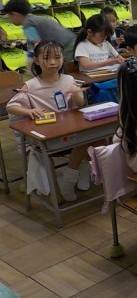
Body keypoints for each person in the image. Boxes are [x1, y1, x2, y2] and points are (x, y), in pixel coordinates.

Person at [7, 41, 94, 201]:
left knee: (90, 137)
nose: (53, 62)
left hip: (69, 130)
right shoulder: (31, 85)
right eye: (47, 58)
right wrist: (28, 111)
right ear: (37, 60)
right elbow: (11, 106)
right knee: (83, 140)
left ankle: (76, 174)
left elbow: (80, 104)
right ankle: (71, 178)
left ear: (63, 59)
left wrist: (76, 93)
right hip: (48, 136)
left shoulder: (68, 79)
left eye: (57, 57)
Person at [1, 0, 75, 61]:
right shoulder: (35, 18)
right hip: (72, 42)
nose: (9, 19)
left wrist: (30, 64)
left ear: (15, 15)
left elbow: (37, 45)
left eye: (9, 16)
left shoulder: (28, 24)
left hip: (66, 47)